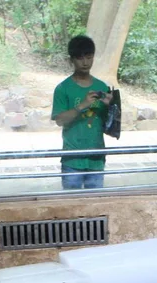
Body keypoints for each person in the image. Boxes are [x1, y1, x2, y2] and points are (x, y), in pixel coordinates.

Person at [51, 35, 113, 190]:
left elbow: (111, 127)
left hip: (96, 159)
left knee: (95, 207)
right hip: (72, 160)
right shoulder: (63, 88)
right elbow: (60, 120)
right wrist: (82, 105)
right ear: (71, 60)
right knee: (71, 207)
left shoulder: (102, 87)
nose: (85, 62)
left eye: (89, 57)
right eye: (79, 58)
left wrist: (110, 108)